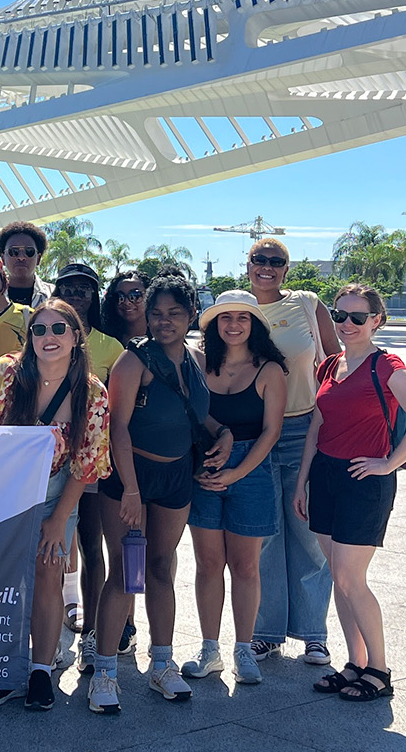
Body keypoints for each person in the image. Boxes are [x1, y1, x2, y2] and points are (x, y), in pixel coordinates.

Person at [90, 276, 233, 714]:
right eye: (156, 313)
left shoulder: (195, 359)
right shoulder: (133, 362)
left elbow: (198, 416)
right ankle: (105, 671)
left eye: (174, 313)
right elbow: (118, 428)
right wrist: (130, 489)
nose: (164, 321)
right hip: (130, 478)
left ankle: (162, 664)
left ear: (191, 314)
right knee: (123, 572)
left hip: (176, 478)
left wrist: (222, 433)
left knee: (160, 568)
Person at [0, 300, 111, 710]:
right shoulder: (4, 375)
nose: (48, 338)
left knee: (49, 577)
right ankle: (7, 667)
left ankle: (40, 671)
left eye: (58, 329)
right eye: (39, 330)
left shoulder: (91, 391)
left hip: (55, 492)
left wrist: (59, 519)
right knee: (3, 581)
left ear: (75, 337)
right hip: (2, 494)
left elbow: (88, 463)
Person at [306, 285, 406, 704]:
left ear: (377, 320)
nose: (347, 324)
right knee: (338, 579)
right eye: (339, 315)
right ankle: (355, 663)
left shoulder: (387, 366)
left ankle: (379, 670)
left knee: (350, 578)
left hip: (365, 481)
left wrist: (389, 462)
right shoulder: (329, 366)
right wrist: (301, 482)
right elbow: (317, 425)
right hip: (325, 475)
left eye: (357, 317)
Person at [242, 238, 338, 669]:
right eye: (259, 260)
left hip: (305, 428)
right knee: (264, 535)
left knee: (308, 531)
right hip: (254, 430)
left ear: (286, 268)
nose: (267, 267)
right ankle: (265, 633)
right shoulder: (237, 308)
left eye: (275, 262)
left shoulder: (306, 304)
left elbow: (336, 363)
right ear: (247, 265)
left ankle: (314, 635)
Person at [183, 291, 288, 685]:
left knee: (245, 567)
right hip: (204, 469)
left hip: (252, 473)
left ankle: (244, 650)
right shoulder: (198, 363)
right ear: (212, 325)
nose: (233, 325)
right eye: (224, 318)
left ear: (255, 324)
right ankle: (209, 649)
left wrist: (237, 472)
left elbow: (271, 432)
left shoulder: (269, 371)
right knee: (208, 565)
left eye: (242, 318)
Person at [50, 263, 122, 667]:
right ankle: (51, 632)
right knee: (51, 551)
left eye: (85, 289)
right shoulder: (43, 335)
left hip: (91, 461)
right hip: (47, 465)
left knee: (92, 546)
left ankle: (92, 634)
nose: (77, 295)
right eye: (68, 288)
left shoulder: (110, 346)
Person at [0, 221, 53, 307]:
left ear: (38, 258)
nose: (21, 257)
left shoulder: (54, 295)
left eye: (29, 251)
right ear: (3, 258)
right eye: (14, 251)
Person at [102, 270, 148, 343]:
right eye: (119, 296)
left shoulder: (162, 336)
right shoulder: (105, 340)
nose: (127, 302)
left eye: (135, 296)